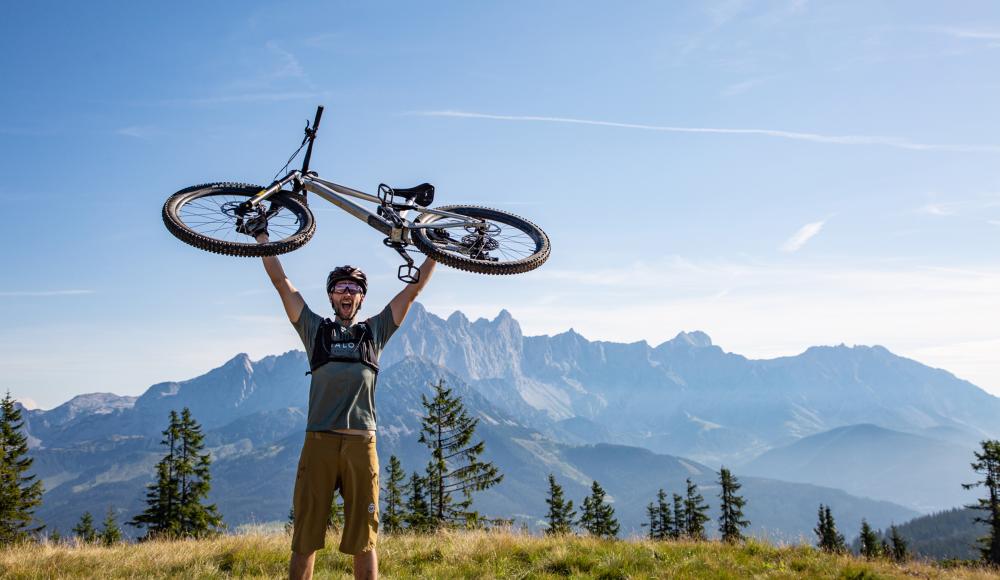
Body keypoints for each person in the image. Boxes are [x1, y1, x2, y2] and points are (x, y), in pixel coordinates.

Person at [251, 227, 436, 580]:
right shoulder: (315, 330)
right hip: (318, 443)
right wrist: (262, 238)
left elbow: (412, 292)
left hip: (360, 445)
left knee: (364, 539)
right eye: (340, 288)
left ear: (362, 298)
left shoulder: (375, 332)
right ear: (331, 297)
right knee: (304, 537)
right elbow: (281, 283)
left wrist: (435, 252)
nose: (347, 293)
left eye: (354, 288)